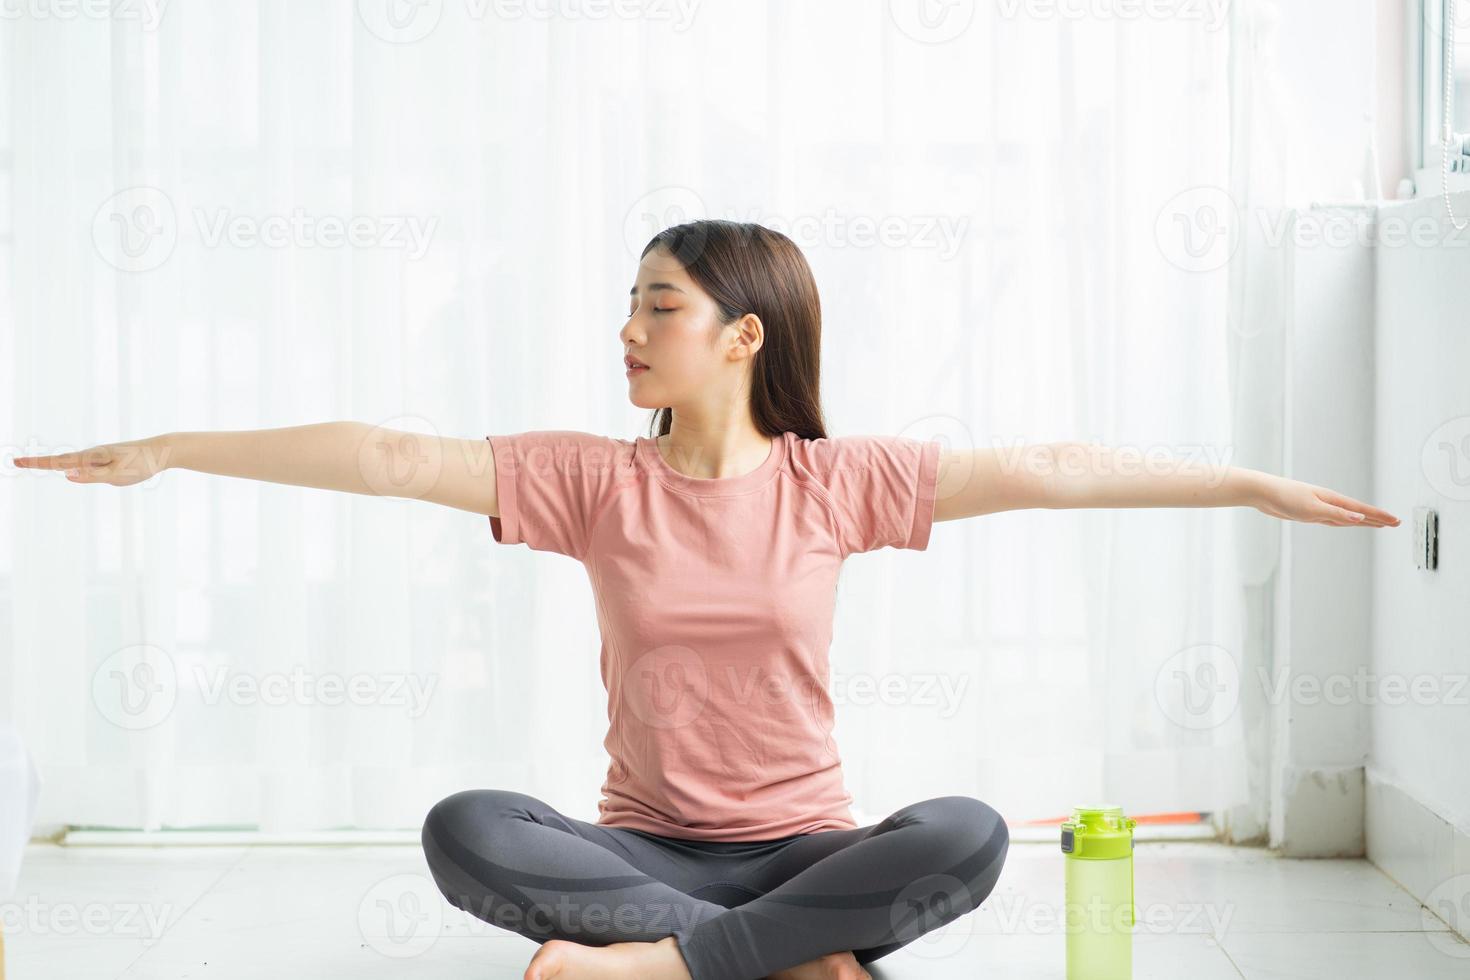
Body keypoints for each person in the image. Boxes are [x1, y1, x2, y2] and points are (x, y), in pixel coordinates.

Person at [12, 219, 1400, 980]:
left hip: (808, 847)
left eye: (656, 306)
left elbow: (1047, 466)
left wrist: (1247, 483)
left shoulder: (836, 483)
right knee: (467, 828)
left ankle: (661, 976)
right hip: (641, 857)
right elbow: (383, 456)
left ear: (741, 335)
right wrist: (173, 448)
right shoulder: (590, 481)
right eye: (627, 302)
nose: (625, 329)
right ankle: (779, 972)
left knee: (963, 834)